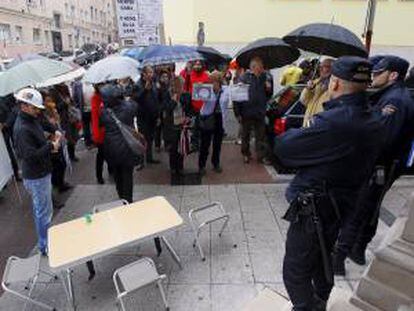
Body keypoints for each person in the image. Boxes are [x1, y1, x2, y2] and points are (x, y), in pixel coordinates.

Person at [274, 57, 384, 310]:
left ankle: (308, 307)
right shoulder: (372, 116)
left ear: (334, 83)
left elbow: (285, 148)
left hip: (316, 207)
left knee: (295, 270)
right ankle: (320, 301)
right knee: (323, 259)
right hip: (342, 204)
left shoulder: (337, 121)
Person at [333, 55, 414, 276]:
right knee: (369, 207)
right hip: (383, 167)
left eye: (378, 73)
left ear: (393, 75)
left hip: (379, 167)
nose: (373, 77)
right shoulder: (391, 96)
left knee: (360, 209)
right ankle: (357, 250)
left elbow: (382, 140)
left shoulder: (395, 101)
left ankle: (338, 258)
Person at [13, 88, 62, 255]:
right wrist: (50, 146)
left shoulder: (30, 118)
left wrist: (53, 130)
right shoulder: (22, 129)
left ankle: (46, 240)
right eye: (35, 108)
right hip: (37, 176)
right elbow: (30, 156)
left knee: (41, 209)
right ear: (24, 106)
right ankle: (45, 245)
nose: (37, 111)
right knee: (44, 212)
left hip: (39, 173)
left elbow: (41, 122)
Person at [100, 84, 137, 203]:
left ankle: (121, 197)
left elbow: (101, 123)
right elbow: (135, 106)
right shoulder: (128, 108)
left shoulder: (104, 113)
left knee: (117, 176)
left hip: (111, 149)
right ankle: (128, 200)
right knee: (127, 176)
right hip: (126, 147)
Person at [234, 57, 273, 164]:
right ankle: (246, 154)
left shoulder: (266, 77)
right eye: (260, 66)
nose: (262, 68)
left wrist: (269, 89)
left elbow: (269, 95)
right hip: (246, 112)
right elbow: (237, 97)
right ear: (253, 67)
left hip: (260, 111)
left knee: (261, 136)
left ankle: (261, 156)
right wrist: (237, 113)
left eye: (262, 66)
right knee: (245, 135)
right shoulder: (243, 78)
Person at [198, 71, 229, 175]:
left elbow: (228, 101)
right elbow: (198, 97)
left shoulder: (225, 90)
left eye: (215, 81)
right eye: (211, 81)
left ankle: (215, 163)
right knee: (205, 143)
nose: (212, 83)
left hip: (219, 118)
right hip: (208, 117)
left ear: (219, 81)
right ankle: (201, 165)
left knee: (217, 144)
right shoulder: (207, 90)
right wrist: (200, 89)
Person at [133, 66, 161, 164]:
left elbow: (156, 99)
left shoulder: (153, 83)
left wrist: (157, 115)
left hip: (152, 116)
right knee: (142, 139)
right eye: (149, 72)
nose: (151, 74)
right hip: (143, 117)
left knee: (150, 138)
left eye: (152, 72)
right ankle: (140, 161)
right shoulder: (137, 85)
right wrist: (145, 90)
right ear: (143, 74)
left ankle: (149, 158)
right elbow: (136, 99)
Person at [301, 58, 334, 127]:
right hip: (308, 125)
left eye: (324, 67)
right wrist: (308, 89)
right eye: (320, 67)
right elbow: (303, 101)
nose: (321, 69)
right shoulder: (316, 82)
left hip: (320, 127)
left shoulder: (335, 86)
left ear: (332, 69)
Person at [0, 94, 20, 180]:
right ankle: (8, 175)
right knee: (5, 153)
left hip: (9, 128)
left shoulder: (5, 95)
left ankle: (15, 173)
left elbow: (14, 110)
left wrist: (5, 124)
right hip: (4, 129)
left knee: (12, 150)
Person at [91, 84, 106, 184]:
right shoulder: (95, 98)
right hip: (100, 131)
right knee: (101, 154)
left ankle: (111, 169)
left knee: (110, 152)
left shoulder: (105, 96)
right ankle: (99, 176)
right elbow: (97, 115)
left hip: (107, 129)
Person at [72, 78, 93, 147]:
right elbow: (75, 97)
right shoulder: (77, 84)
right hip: (84, 110)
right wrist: (79, 107)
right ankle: (88, 143)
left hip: (94, 109)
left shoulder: (93, 81)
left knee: (95, 125)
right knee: (86, 128)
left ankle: (96, 140)